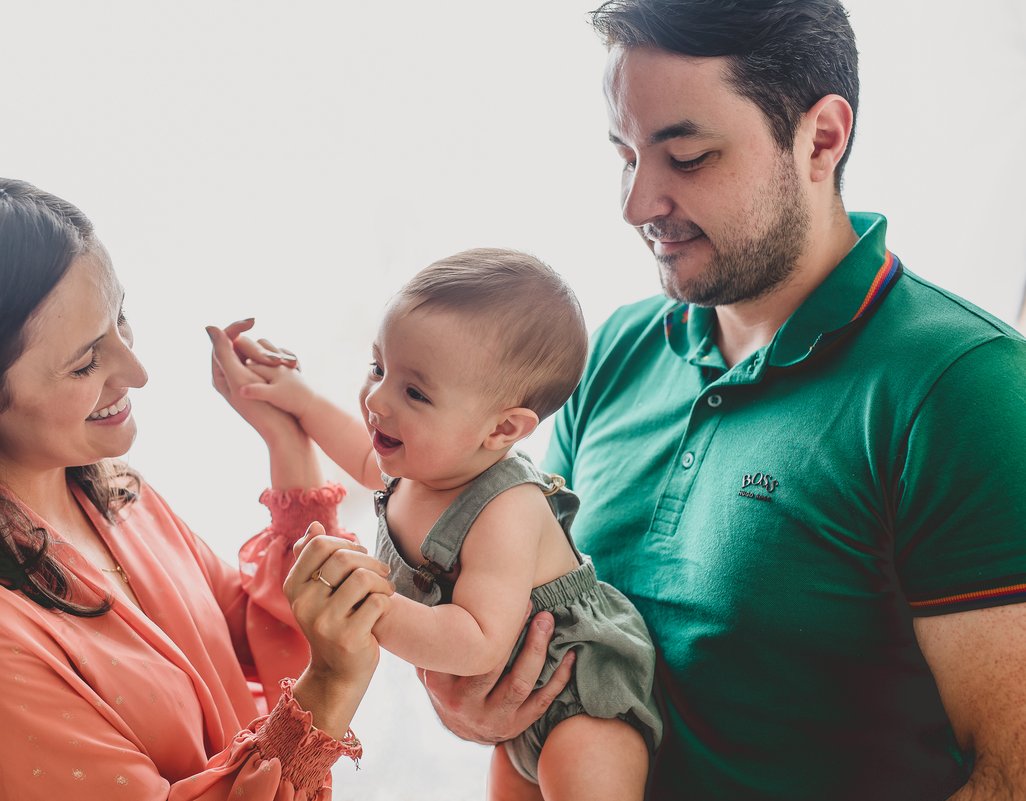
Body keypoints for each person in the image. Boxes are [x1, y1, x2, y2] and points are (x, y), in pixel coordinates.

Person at [417, 2, 1026, 800]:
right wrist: (476, 699)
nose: (637, 204)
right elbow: (522, 625)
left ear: (822, 138)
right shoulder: (612, 352)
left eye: (689, 156)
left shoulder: (967, 386)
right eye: (626, 155)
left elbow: (1011, 772)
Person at [0, 171, 396, 800]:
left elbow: (268, 645)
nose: (139, 372)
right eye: (86, 362)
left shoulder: (115, 494)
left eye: (120, 320)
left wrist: (287, 443)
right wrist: (333, 687)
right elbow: (312, 679)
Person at [234, 249, 662, 799]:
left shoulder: (507, 507)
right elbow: (361, 457)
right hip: (514, 711)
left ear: (503, 428)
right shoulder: (416, 464)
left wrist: (368, 608)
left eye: (415, 392)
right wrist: (297, 399)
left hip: (580, 694)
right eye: (377, 367)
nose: (377, 400)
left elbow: (481, 641)